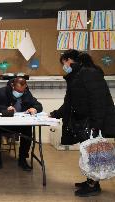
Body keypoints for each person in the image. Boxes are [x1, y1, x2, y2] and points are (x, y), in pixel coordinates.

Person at [50, 49, 115, 197]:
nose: (63, 66)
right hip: (84, 121)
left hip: (92, 121)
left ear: (69, 60)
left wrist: (96, 124)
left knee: (93, 153)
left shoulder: (89, 73)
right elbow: (70, 103)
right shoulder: (76, 75)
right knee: (87, 152)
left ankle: (93, 186)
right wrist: (55, 114)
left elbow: (98, 101)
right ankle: (90, 181)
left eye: (63, 63)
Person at [0, 77, 43, 172]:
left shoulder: (26, 93)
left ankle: (22, 160)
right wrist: (4, 109)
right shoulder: (0, 92)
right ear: (12, 86)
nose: (20, 93)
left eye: (22, 91)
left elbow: (38, 105)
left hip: (19, 124)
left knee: (27, 131)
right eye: (18, 91)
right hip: (1, 124)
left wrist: (34, 109)